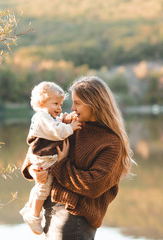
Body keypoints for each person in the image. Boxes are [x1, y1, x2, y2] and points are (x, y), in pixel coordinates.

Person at [21, 76, 136, 240]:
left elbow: (93, 185)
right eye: (73, 102)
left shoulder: (110, 141)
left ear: (94, 104)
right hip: (49, 209)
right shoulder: (68, 127)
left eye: (78, 103)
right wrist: (34, 171)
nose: (73, 108)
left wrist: (60, 165)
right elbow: (35, 153)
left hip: (73, 217)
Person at [20, 81, 82, 235]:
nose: (59, 108)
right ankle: (34, 216)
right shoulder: (41, 117)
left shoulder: (46, 117)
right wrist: (70, 127)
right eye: (55, 103)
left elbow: (55, 127)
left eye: (60, 104)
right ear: (42, 102)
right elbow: (55, 132)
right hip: (43, 159)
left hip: (45, 158)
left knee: (41, 186)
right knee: (44, 186)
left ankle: (31, 208)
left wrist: (63, 121)